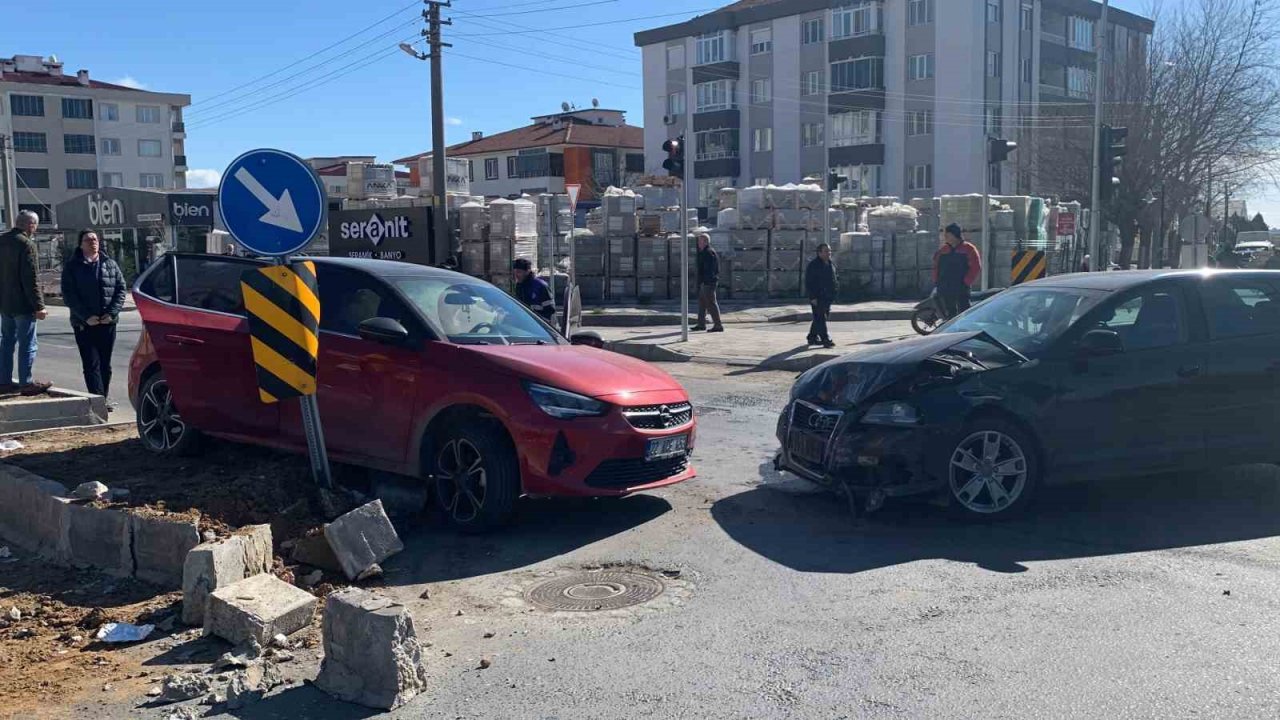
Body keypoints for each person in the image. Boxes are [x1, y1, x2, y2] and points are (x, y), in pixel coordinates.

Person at [60, 230, 126, 406]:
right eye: (88, 240)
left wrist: (111, 314)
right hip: (85, 324)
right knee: (91, 364)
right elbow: (69, 295)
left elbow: (121, 290)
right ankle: (97, 401)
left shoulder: (109, 264)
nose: (93, 242)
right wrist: (86, 316)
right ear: (81, 244)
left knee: (105, 364)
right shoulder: (73, 266)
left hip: (107, 323)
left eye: (95, 239)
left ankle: (103, 398)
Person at [0, 211, 51, 395]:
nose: (35, 229)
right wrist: (39, 306)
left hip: (5, 304)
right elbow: (31, 279)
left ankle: (3, 381)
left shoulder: (2, 240)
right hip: (23, 305)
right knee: (28, 344)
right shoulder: (26, 244)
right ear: (30, 225)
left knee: (6, 343)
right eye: (35, 225)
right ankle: (26, 383)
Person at [932, 223, 982, 320]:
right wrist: (936, 280)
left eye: (947, 235)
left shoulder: (969, 249)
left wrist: (966, 282)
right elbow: (936, 266)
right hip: (945, 287)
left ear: (954, 235)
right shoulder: (943, 250)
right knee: (949, 313)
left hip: (961, 287)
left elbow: (976, 267)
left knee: (964, 311)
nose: (945, 237)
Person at [805, 243, 838, 348]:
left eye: (829, 251)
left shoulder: (830, 263)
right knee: (821, 317)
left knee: (821, 317)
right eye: (826, 251)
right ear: (819, 253)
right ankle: (825, 339)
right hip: (818, 296)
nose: (829, 253)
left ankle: (812, 337)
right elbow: (809, 282)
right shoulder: (814, 265)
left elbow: (834, 278)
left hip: (828, 296)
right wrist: (812, 297)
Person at [693, 233, 724, 332]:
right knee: (702, 304)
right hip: (704, 282)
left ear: (706, 242)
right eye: (698, 241)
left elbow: (710, 270)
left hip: (708, 283)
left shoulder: (709, 253)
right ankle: (701, 324)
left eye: (700, 241)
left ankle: (718, 325)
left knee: (711, 304)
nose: (698, 243)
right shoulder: (703, 252)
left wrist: (705, 282)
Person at [512, 258, 556, 322]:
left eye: (519, 272)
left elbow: (550, 311)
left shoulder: (541, 286)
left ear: (527, 271)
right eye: (515, 272)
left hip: (539, 327)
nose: (516, 275)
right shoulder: (519, 286)